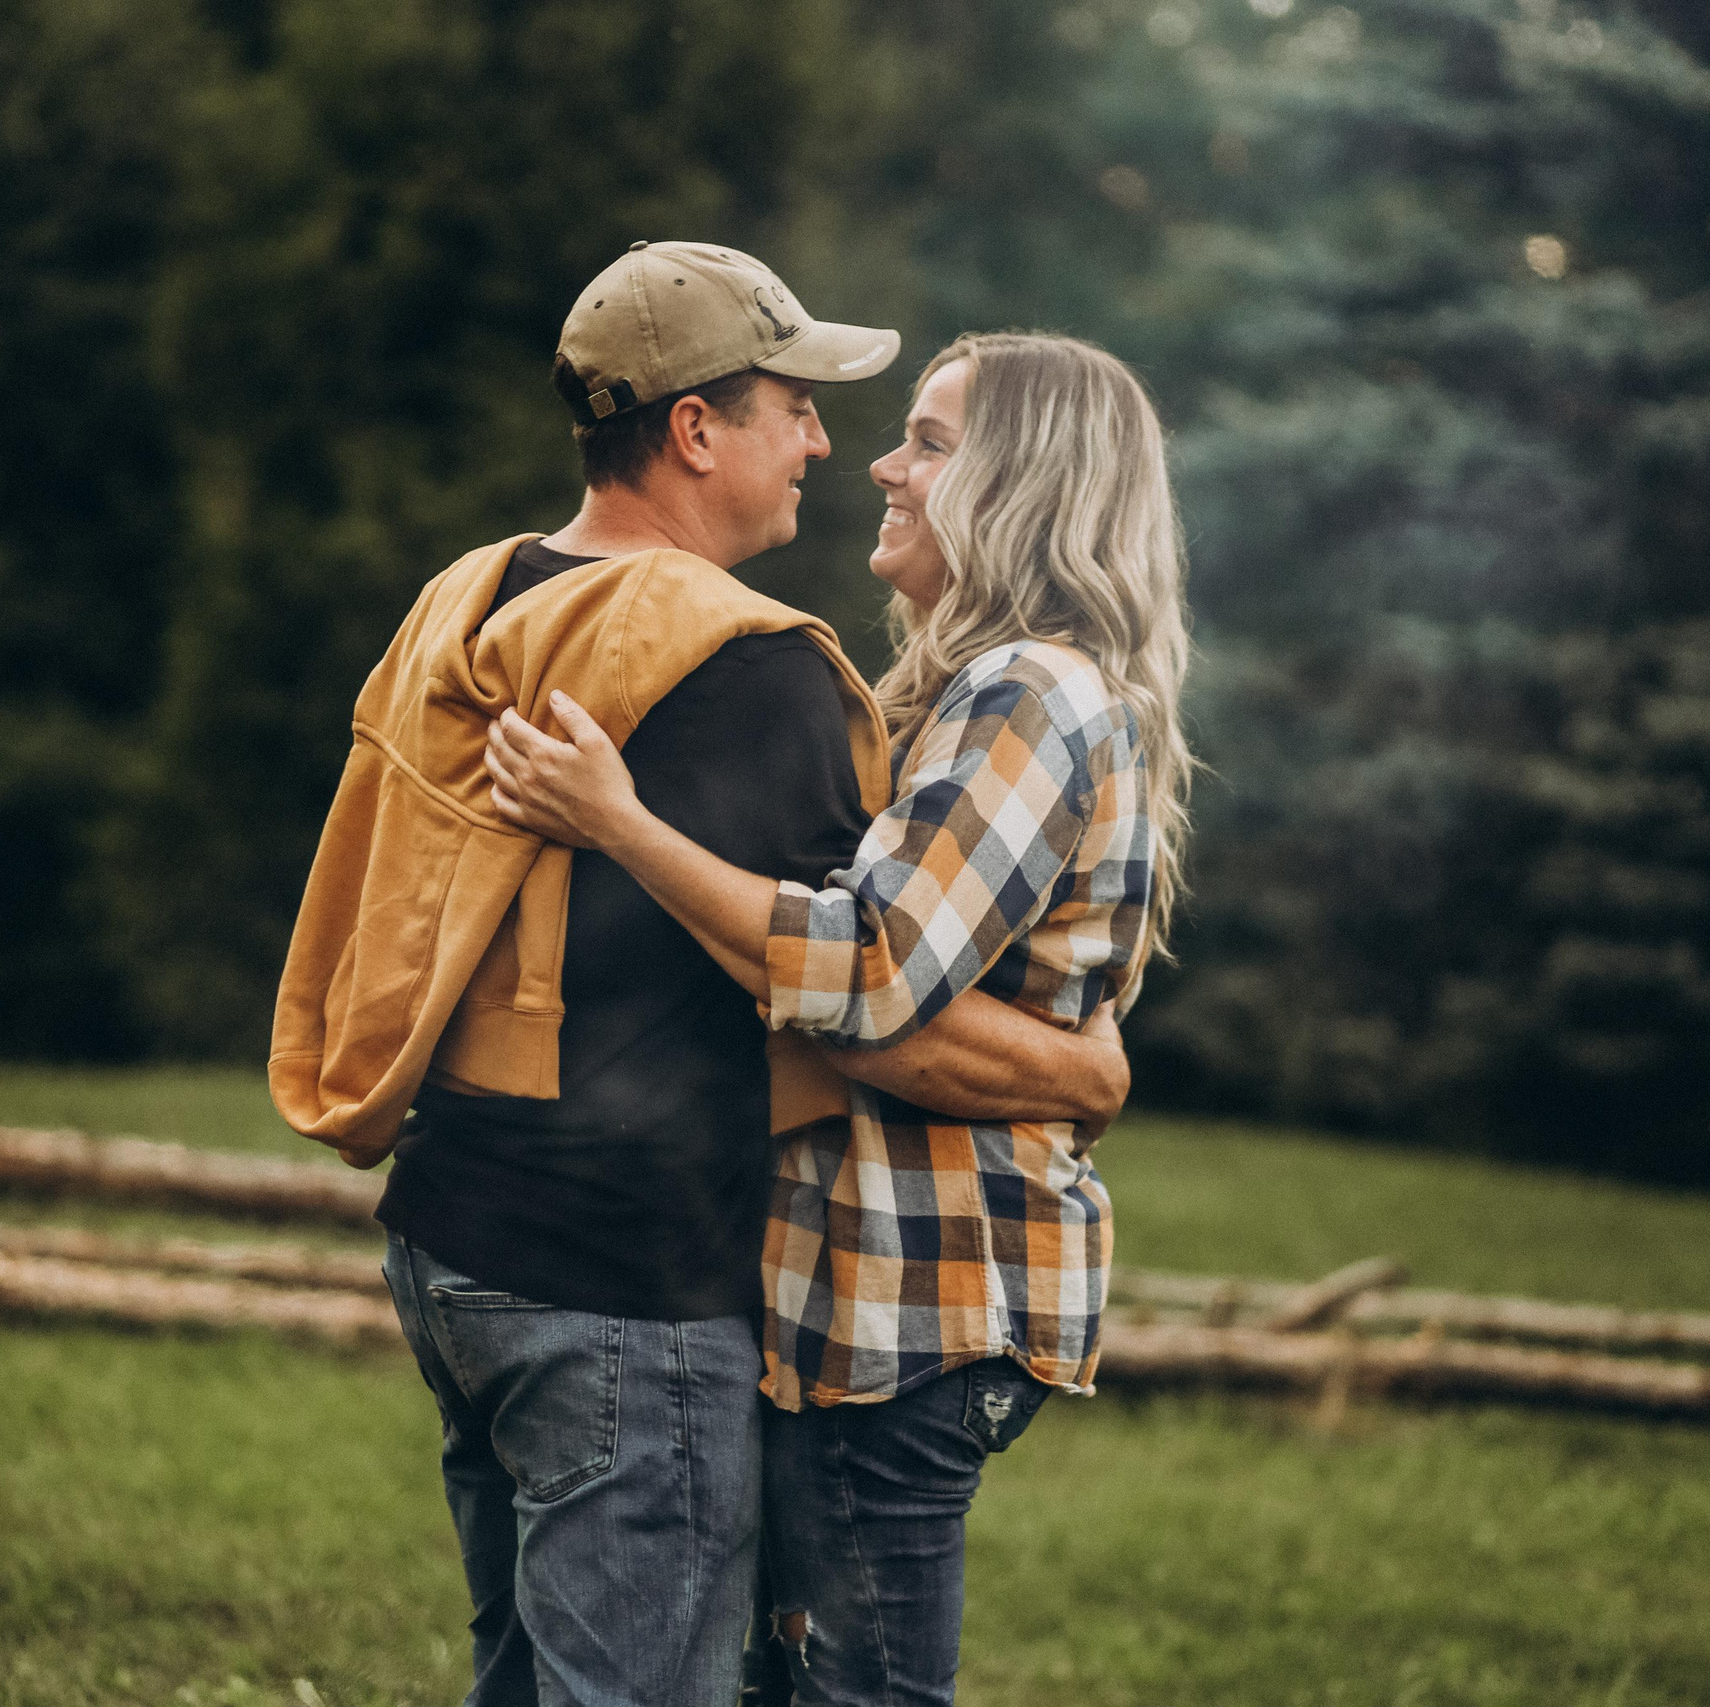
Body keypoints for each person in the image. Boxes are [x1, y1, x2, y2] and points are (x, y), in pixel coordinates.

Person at [271, 254, 1131, 1707]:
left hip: (450, 1237)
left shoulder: (471, 599)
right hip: (624, 1283)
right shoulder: (747, 668)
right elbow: (862, 999)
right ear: (693, 432)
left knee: (522, 1677)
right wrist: (1081, 1071)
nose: (821, 444)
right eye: (794, 407)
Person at [486, 330, 1194, 1707]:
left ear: (1022, 483)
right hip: (867, 1299)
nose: (883, 461)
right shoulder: (964, 689)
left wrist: (621, 827)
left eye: (929, 440)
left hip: (915, 1305)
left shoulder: (1029, 694)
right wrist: (1072, 1068)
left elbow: (869, 971)